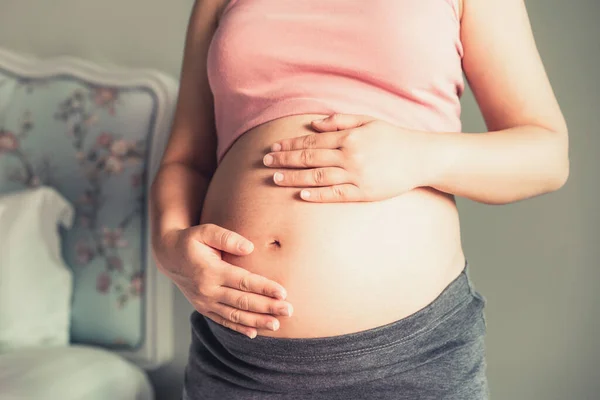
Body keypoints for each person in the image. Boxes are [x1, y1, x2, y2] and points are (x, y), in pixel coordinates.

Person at [150, 0, 569, 398]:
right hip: (237, 360)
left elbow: (547, 156)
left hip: (410, 361)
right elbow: (185, 161)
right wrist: (168, 244)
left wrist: (419, 156)